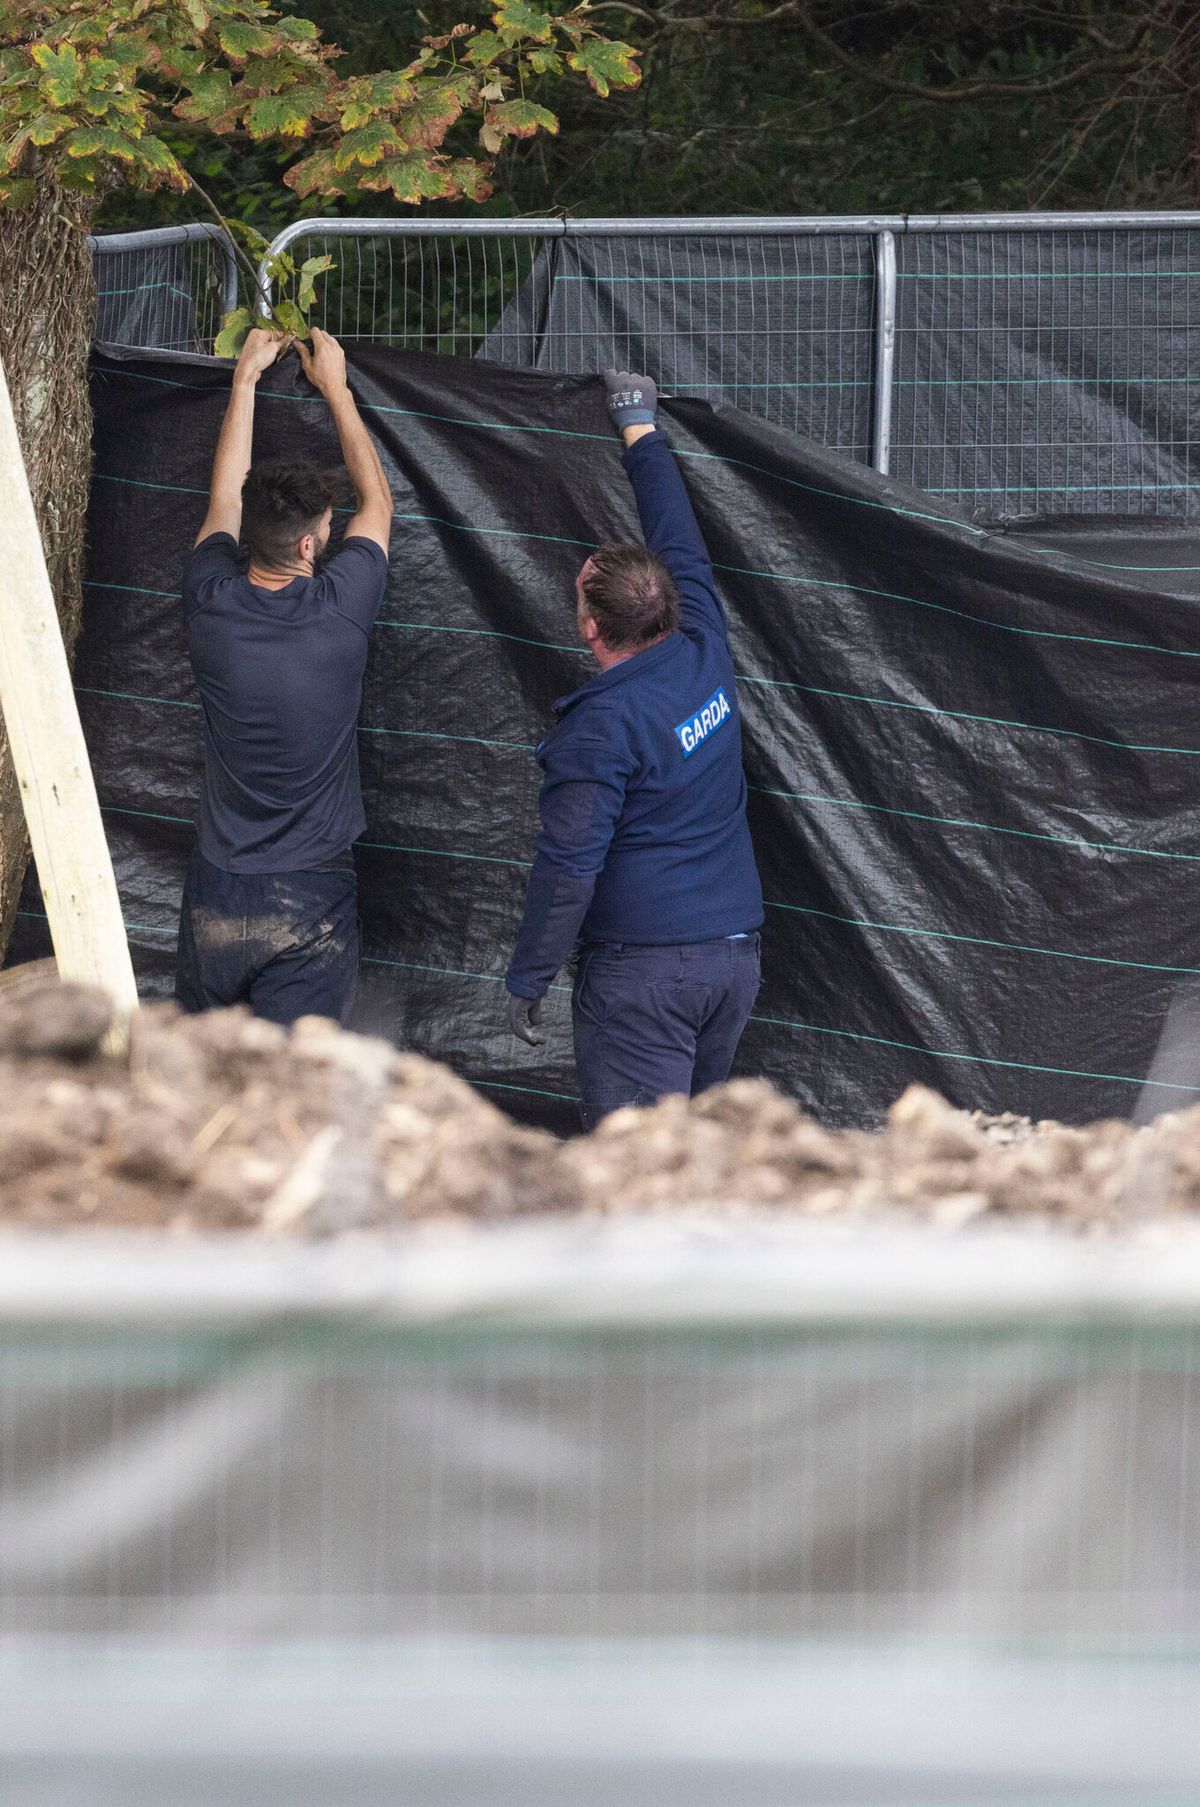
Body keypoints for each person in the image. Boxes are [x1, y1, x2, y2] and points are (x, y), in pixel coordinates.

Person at [504, 370, 764, 1129]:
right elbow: (678, 536)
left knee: (638, 1181)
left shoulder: (601, 726)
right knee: (686, 1169)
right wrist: (639, 426)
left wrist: (529, 976)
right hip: (732, 959)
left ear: (591, 631)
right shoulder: (700, 645)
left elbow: (570, 865)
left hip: (647, 975)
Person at [175, 325, 393, 1026]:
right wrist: (337, 387)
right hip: (309, 900)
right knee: (290, 1100)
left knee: (205, 1085)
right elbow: (379, 503)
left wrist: (244, 381)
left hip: (217, 892)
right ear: (309, 545)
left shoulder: (210, 600)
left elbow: (225, 501)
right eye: (325, 528)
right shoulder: (341, 609)